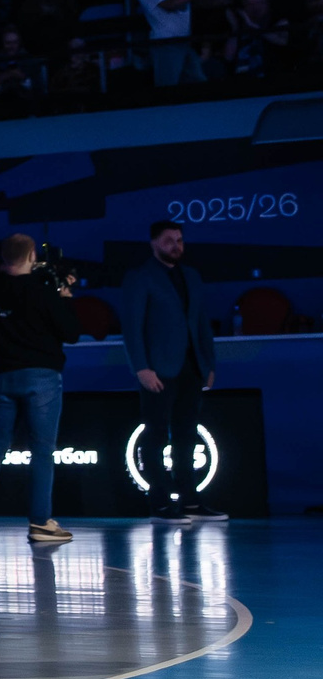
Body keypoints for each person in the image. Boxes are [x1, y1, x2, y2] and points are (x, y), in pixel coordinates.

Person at [0, 234, 83, 546]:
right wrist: (64, 294)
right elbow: (71, 333)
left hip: (4, 377)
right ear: (31, 255)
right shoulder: (41, 291)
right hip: (41, 378)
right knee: (42, 450)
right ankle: (41, 522)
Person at [121, 220, 225, 524]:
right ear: (154, 243)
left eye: (179, 240)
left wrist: (208, 364)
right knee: (155, 435)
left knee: (186, 435)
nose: (176, 245)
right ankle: (161, 503)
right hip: (158, 369)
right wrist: (141, 367)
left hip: (191, 367)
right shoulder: (140, 277)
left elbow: (201, 323)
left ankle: (191, 501)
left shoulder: (191, 276)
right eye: (169, 240)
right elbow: (132, 327)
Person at [139, 0, 206, 86]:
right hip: (165, 42)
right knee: (167, 85)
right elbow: (169, 4)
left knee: (197, 80)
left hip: (185, 40)